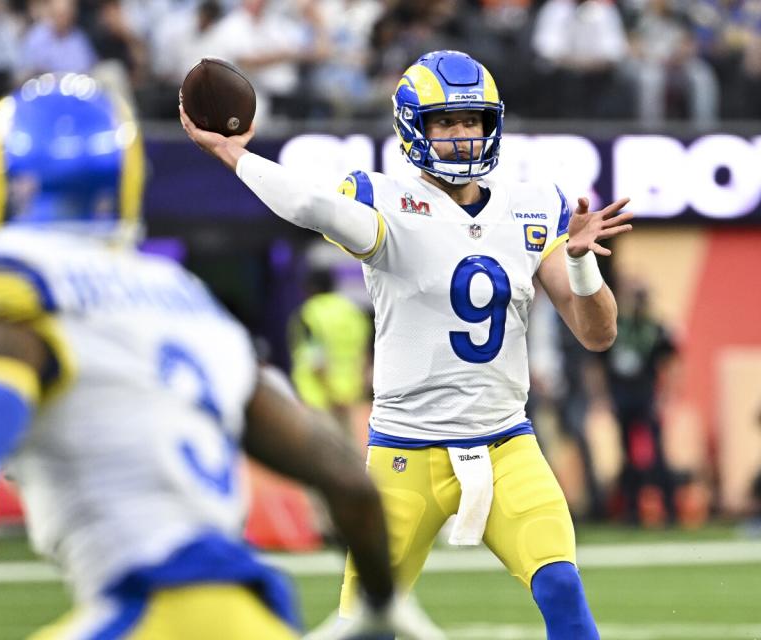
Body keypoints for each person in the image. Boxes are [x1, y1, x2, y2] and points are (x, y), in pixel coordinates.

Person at [0, 75, 446, 640]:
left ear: (3, 177)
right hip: (253, 615)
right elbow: (348, 482)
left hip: (146, 609)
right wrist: (379, 608)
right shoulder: (182, 295)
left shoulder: (15, 277)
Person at [181, 49, 635, 639]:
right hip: (406, 452)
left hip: (506, 446)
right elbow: (309, 205)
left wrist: (579, 266)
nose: (462, 135)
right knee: (365, 623)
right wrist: (231, 152)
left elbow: (597, 333)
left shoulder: (533, 208)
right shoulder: (386, 203)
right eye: (445, 121)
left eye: (472, 121)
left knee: (562, 588)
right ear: (413, 128)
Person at [595, 280, 678, 525]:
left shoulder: (656, 327)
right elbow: (599, 363)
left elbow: (670, 362)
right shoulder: (618, 326)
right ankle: (630, 510)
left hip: (646, 395)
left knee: (657, 454)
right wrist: (604, 396)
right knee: (627, 455)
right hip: (622, 395)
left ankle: (669, 509)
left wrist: (665, 396)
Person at [288, 266, 371, 434]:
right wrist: (352, 394)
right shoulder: (352, 312)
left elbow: (316, 362)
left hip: (318, 401)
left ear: (309, 288)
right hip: (349, 400)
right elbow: (365, 357)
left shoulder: (310, 314)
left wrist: (333, 394)